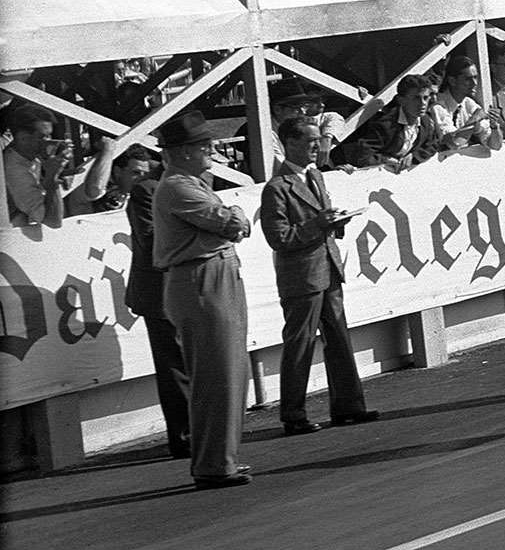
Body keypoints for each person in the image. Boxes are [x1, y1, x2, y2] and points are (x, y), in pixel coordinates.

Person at [153, 111, 255, 487]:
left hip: (214, 274)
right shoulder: (178, 186)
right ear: (180, 152)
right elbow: (232, 223)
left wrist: (236, 216)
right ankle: (214, 463)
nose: (210, 149)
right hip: (200, 278)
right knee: (217, 374)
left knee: (230, 370)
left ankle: (220, 458)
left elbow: (235, 220)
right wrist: (237, 215)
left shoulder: (192, 183)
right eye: (202, 145)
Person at [259, 110, 377, 434]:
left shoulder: (315, 176)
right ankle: (293, 415)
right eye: (310, 141)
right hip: (302, 276)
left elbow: (317, 223)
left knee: (339, 338)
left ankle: (349, 406)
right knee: (300, 344)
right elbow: (278, 238)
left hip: (327, 267)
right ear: (289, 144)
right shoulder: (277, 188)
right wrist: (319, 223)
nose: (317, 146)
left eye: (317, 140)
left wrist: (336, 223)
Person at [104, 147, 193, 458]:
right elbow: (152, 238)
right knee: (175, 365)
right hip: (159, 291)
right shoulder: (148, 189)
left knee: (185, 363)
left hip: (178, 286)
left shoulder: (180, 184)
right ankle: (185, 436)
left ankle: (195, 432)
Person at [3, 104, 74, 228]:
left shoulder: (27, 155)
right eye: (43, 137)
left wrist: (62, 172)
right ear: (23, 138)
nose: (49, 141)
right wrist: (53, 177)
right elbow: (53, 221)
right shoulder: (14, 170)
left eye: (50, 136)